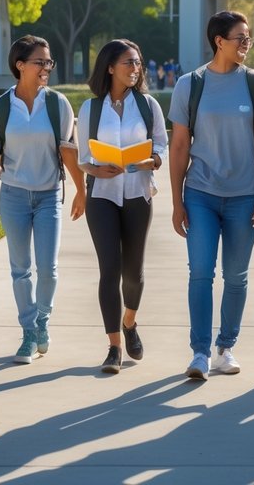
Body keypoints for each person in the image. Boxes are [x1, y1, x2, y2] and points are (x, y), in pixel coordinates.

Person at [169, 10, 254, 380]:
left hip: (245, 195)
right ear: (219, 41)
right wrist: (176, 201)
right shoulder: (190, 84)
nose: (246, 44)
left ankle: (225, 347)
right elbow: (180, 145)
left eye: (249, 38)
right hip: (200, 192)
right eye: (240, 38)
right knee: (200, 272)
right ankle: (199, 352)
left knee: (236, 276)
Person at [0, 36, 86, 363]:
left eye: (49, 62)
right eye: (40, 62)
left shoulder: (57, 103)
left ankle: (43, 322)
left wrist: (82, 189)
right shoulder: (1, 107)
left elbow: (68, 148)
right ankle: (28, 333)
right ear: (20, 65)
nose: (46, 68)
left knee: (48, 269)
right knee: (21, 269)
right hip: (14, 196)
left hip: (48, 195)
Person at [77, 39, 168, 373]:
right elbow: (83, 153)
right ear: (111, 67)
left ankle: (130, 322)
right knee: (109, 270)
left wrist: (152, 160)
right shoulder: (91, 108)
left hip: (137, 192)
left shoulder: (147, 105)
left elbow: (161, 142)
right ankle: (114, 346)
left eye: (138, 63)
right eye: (129, 62)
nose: (135, 68)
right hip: (101, 193)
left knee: (133, 271)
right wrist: (94, 168)